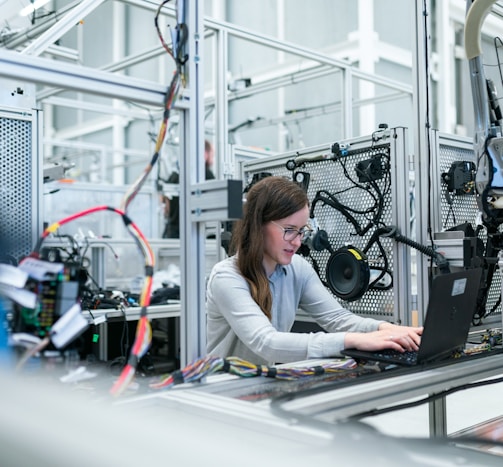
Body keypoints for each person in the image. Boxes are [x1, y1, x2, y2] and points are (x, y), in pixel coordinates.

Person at [206, 176, 423, 365]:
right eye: (289, 230)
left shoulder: (296, 268)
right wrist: (352, 340)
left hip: (261, 384)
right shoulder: (227, 277)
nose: (298, 242)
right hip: (224, 392)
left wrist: (388, 329)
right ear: (258, 226)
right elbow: (267, 343)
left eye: (301, 231)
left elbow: (338, 319)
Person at [162, 140, 216, 238]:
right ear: (204, 153)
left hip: (172, 234)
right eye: (212, 154)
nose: (213, 158)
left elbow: (166, 207)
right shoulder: (206, 174)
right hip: (194, 233)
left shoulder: (174, 175)